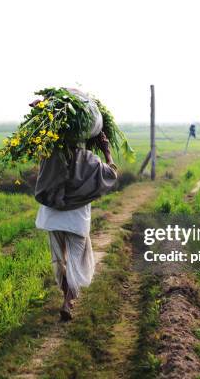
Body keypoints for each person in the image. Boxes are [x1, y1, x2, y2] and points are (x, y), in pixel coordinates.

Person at [34, 130, 118, 321]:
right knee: (76, 263)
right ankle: (68, 302)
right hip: (76, 220)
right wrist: (106, 151)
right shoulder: (90, 160)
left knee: (59, 261)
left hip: (52, 218)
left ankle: (67, 298)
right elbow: (111, 174)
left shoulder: (50, 155)